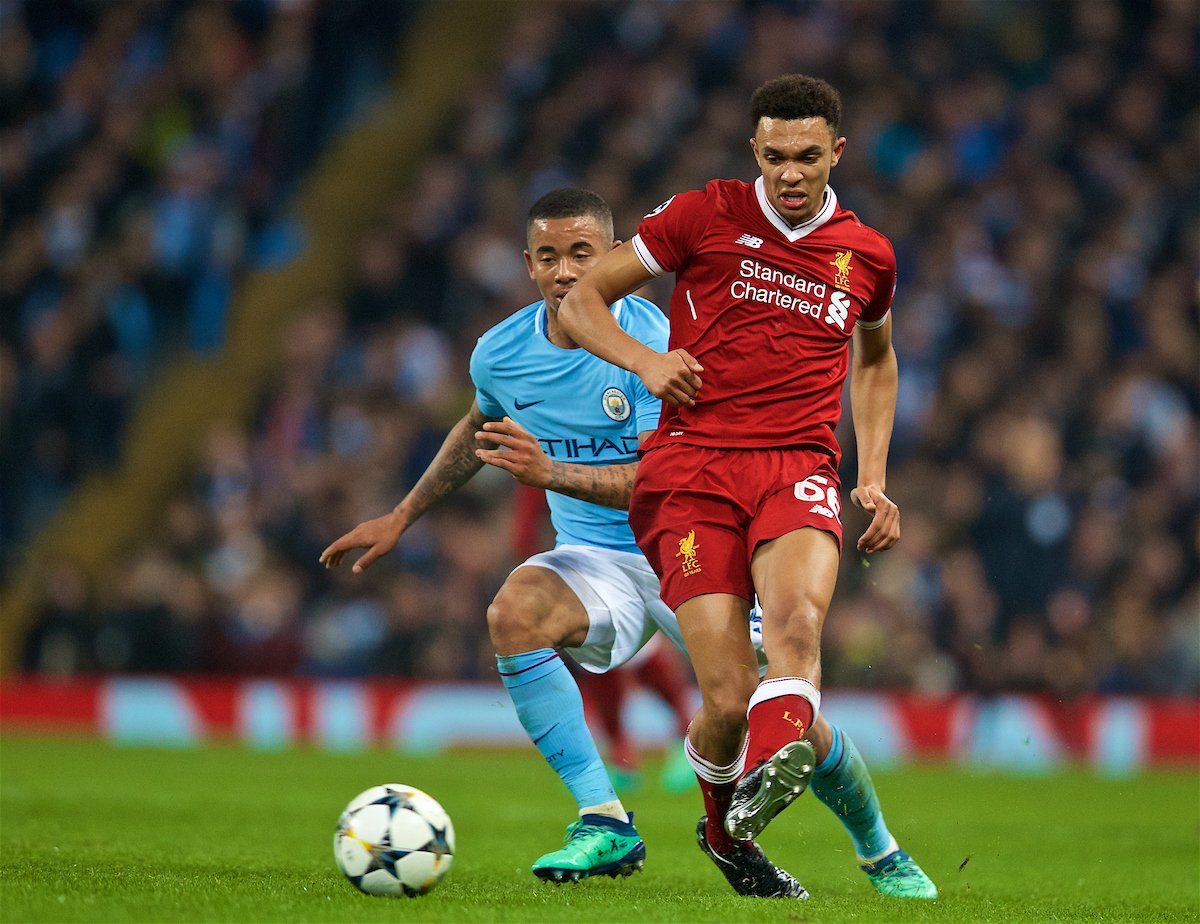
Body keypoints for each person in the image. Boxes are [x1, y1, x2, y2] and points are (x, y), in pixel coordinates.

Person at [557, 75, 937, 900]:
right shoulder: (703, 214)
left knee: (798, 623)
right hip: (691, 472)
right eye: (775, 157)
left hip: (797, 465)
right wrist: (646, 361)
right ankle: (731, 831)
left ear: (837, 151)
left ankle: (781, 758)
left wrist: (871, 477)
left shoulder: (867, 254)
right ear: (753, 152)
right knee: (726, 700)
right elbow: (581, 302)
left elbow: (876, 360)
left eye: (807, 156)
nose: (791, 173)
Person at [321, 188, 703, 884]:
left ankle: (877, 844)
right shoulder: (499, 353)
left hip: (686, 546)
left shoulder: (654, 340)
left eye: (582, 255)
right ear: (528, 264)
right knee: (512, 613)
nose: (565, 272)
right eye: (550, 257)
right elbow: (476, 429)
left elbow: (660, 480)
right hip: (596, 559)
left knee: (783, 697)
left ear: (615, 258)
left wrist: (549, 471)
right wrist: (402, 515)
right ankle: (605, 820)